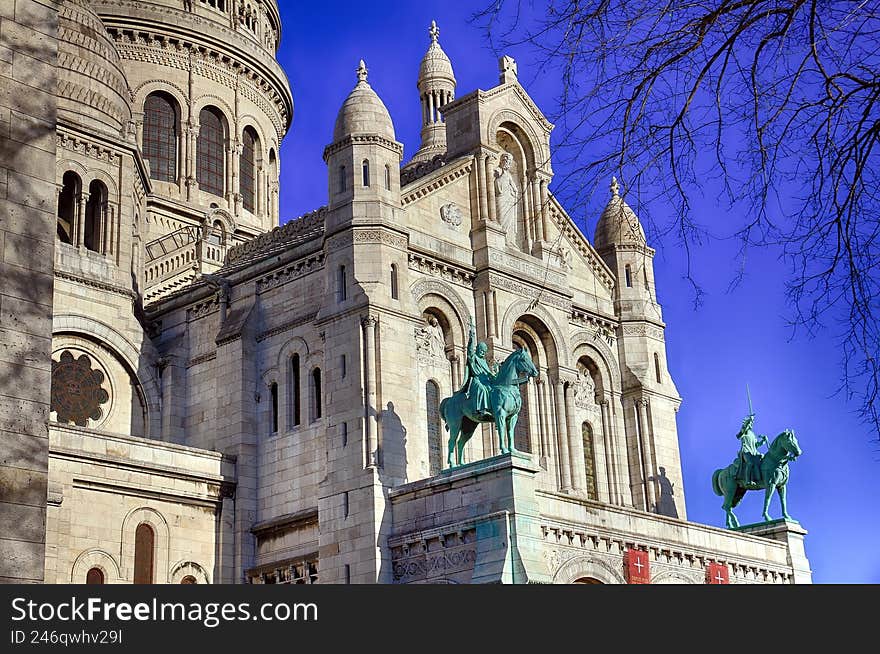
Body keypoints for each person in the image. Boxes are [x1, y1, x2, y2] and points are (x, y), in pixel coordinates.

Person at [460, 317, 497, 419]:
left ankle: (496, 412)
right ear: (478, 349)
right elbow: (470, 352)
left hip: (486, 381)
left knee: (494, 391)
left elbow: (488, 373)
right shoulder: (474, 357)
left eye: (484, 351)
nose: (482, 352)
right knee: (482, 390)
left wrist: (494, 375)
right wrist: (472, 339)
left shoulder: (484, 361)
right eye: (481, 350)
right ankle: (481, 410)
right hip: (477, 381)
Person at [735, 414, 767, 486]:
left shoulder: (752, 434)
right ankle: (748, 480)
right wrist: (749, 420)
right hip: (746, 451)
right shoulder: (744, 431)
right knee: (750, 463)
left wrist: (763, 441)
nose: (751, 424)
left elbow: (756, 445)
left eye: (752, 423)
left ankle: (759, 477)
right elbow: (739, 435)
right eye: (750, 423)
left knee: (762, 458)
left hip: (753, 452)